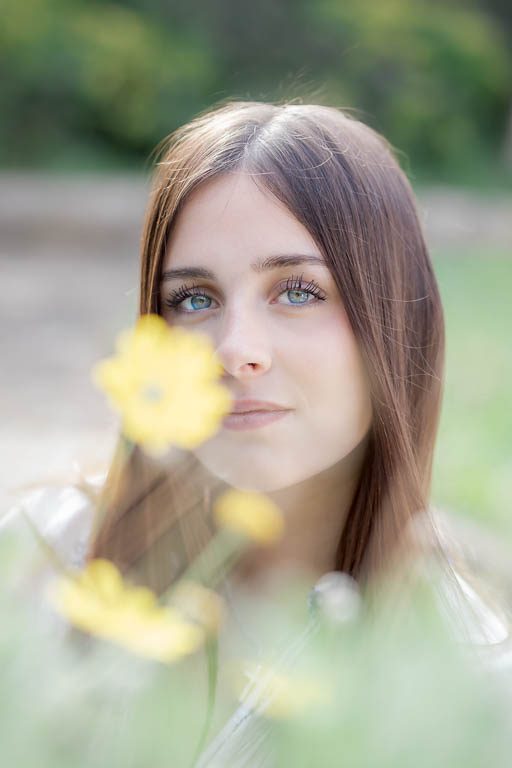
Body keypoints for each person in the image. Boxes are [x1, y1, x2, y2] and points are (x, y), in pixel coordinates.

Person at [3, 99, 511, 766]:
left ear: (394, 321)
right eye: (194, 299)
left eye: (297, 291)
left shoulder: (465, 696)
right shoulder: (41, 562)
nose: (235, 348)